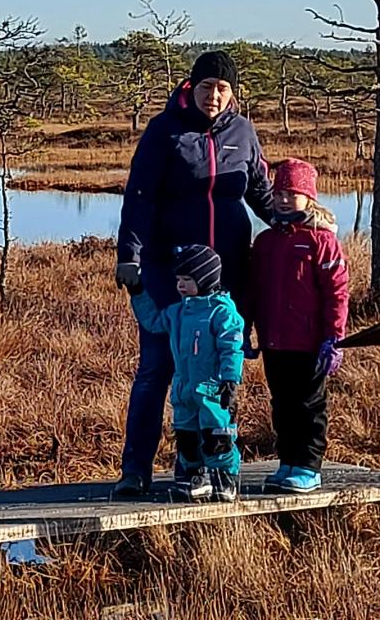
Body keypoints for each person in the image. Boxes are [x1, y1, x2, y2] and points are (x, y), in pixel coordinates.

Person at [112, 48, 277, 499]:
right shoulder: (164, 132)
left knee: (220, 375)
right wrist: (130, 255)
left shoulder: (243, 133)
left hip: (227, 279)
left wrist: (296, 218)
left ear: (233, 93)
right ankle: (135, 471)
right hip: (172, 275)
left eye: (223, 88)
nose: (214, 96)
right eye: (207, 87)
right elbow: (140, 197)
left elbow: (260, 190)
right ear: (191, 87)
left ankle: (212, 470)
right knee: (159, 368)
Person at [249, 158, 350, 493]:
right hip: (274, 339)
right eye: (279, 193)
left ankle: (308, 465)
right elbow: (254, 289)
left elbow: (337, 291)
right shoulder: (264, 242)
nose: (283, 199)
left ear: (309, 198)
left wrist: (334, 337)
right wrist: (247, 328)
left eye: (292, 193)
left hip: (309, 341)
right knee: (282, 402)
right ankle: (288, 461)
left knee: (309, 403)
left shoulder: (322, 241)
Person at [128, 243, 245, 502]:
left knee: (218, 436)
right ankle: (196, 477)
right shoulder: (177, 312)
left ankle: (225, 478)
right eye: (179, 279)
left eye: (187, 280)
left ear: (204, 279)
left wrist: (230, 380)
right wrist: (138, 292)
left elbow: (232, 347)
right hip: (184, 390)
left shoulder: (222, 312)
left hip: (213, 389)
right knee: (187, 438)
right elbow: (152, 321)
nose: (180, 285)